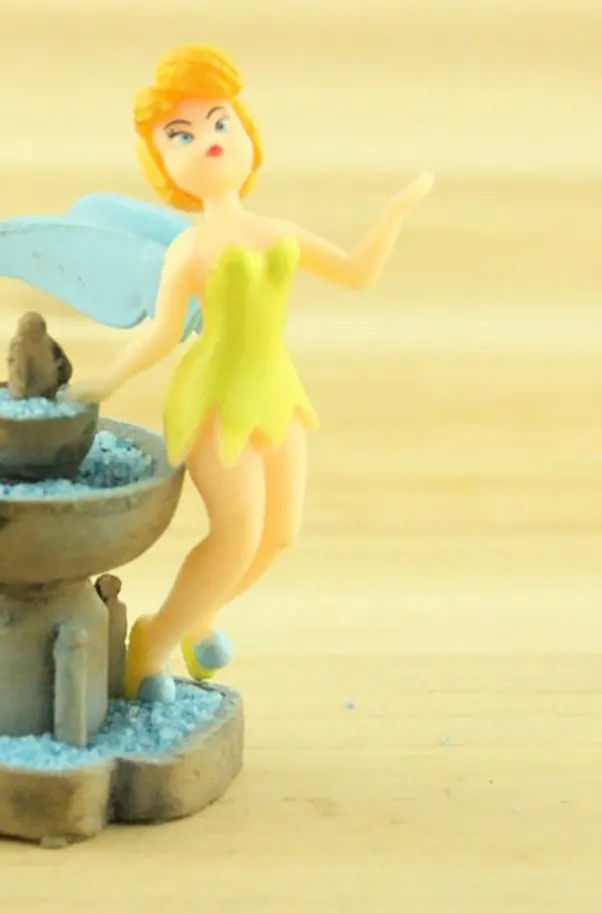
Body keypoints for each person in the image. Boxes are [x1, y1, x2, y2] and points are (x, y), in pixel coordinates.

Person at [65, 43, 433, 702]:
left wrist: (396, 213)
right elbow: (162, 332)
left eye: (219, 120)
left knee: (280, 534)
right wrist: (105, 381)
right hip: (213, 397)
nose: (208, 138)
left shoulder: (276, 231)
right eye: (182, 134)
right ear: (163, 165)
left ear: (246, 133)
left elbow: (356, 272)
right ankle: (152, 642)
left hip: (276, 393)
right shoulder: (190, 248)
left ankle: (199, 618)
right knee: (235, 535)